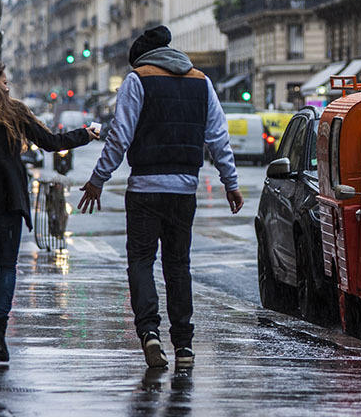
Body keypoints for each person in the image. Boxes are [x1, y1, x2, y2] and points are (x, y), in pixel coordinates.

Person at [78, 25, 243, 371]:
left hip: (144, 191)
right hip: (184, 190)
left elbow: (119, 138)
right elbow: (218, 138)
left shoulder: (137, 80)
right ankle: (184, 345)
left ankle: (150, 333)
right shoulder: (202, 81)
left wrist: (97, 180)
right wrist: (231, 183)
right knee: (178, 265)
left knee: (141, 261)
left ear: (140, 58)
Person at [0, 60, 97, 366]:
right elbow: (52, 143)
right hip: (9, 197)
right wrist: (86, 133)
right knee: (6, 268)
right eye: (4, 81)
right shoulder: (15, 111)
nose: (8, 85)